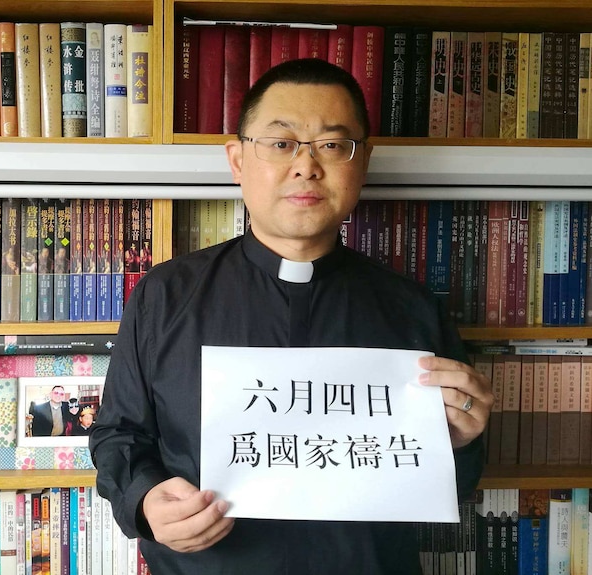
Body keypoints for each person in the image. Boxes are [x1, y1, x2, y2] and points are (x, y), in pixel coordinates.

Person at [89, 58, 494, 574]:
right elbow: (117, 435)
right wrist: (146, 501)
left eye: (332, 144)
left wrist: (458, 441)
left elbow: (452, 485)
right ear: (237, 160)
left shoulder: (413, 309)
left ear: (362, 161)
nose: (306, 166)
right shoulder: (164, 295)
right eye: (281, 144)